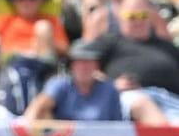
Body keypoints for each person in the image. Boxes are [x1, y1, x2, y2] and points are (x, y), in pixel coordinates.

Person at [23, 38, 167, 124]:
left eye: (89, 62)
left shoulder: (109, 89)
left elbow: (116, 127)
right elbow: (39, 106)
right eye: (80, 62)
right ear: (72, 66)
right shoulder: (60, 84)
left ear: (97, 66)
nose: (84, 67)